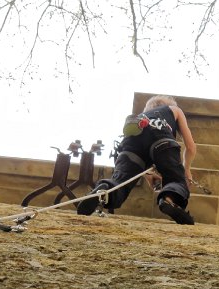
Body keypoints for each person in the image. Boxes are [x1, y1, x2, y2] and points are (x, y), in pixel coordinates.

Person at [77, 95, 197, 224]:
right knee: (176, 180)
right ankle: (168, 200)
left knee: (120, 182)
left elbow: (140, 151)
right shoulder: (174, 109)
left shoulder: (140, 118)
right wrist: (186, 169)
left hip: (130, 144)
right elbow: (190, 147)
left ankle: (104, 191)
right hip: (162, 140)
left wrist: (149, 175)